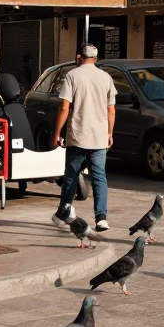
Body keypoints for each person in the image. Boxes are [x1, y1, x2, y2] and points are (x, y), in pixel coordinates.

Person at [52, 44, 116, 232]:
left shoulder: (72, 76)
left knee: (71, 176)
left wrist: (57, 132)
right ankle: (101, 218)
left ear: (79, 57)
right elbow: (111, 109)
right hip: (99, 137)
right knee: (99, 177)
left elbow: (65, 107)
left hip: (77, 135)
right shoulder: (106, 78)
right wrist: (109, 132)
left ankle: (63, 212)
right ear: (96, 59)